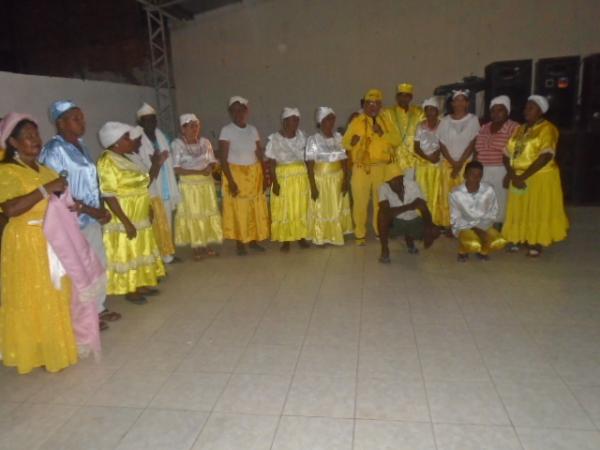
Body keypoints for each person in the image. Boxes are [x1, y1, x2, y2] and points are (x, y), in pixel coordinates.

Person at [0, 113, 78, 374]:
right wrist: (46, 189)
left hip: (52, 239)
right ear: (12, 142)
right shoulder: (7, 171)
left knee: (54, 292)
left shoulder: (45, 169)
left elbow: (56, 200)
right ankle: (35, 350)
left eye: (37, 135)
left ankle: (54, 345)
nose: (36, 140)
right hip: (26, 242)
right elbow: (10, 209)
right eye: (28, 137)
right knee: (32, 295)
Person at [40, 100, 120, 331]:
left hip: (91, 216)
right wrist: (89, 209)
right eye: (76, 119)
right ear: (61, 123)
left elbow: (90, 182)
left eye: (82, 117)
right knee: (78, 268)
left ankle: (98, 307)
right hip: (71, 219)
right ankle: (84, 315)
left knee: (97, 262)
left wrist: (99, 209)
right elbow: (55, 191)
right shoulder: (54, 150)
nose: (82, 122)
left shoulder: (80, 145)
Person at [97, 122, 165, 304]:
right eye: (126, 137)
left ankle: (141, 283)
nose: (131, 140)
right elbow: (108, 194)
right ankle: (130, 288)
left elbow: (143, 184)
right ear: (115, 142)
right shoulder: (107, 160)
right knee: (127, 251)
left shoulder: (127, 157)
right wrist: (125, 221)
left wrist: (148, 206)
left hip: (139, 211)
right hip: (124, 213)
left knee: (140, 249)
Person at [502, 95, 569, 257]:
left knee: (537, 208)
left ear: (540, 111)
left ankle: (535, 241)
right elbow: (506, 153)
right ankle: (517, 237)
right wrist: (511, 174)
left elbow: (545, 156)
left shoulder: (547, 129)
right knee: (519, 209)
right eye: (525, 107)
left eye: (530, 108)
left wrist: (522, 177)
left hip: (540, 176)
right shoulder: (520, 128)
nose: (526, 111)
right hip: (518, 175)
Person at [343, 88, 401, 245]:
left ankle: (378, 230)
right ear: (364, 105)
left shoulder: (386, 121)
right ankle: (360, 233)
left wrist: (383, 133)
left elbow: (397, 140)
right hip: (361, 168)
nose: (373, 106)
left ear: (380, 105)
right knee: (360, 202)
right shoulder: (356, 121)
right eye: (369, 103)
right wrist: (351, 143)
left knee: (379, 202)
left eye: (376, 103)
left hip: (380, 168)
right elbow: (344, 142)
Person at [218, 96, 269, 255]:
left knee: (253, 206)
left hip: (254, 173)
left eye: (241, 110)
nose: (238, 113)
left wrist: (265, 174)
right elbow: (223, 158)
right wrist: (231, 181)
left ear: (246, 111)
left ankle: (253, 239)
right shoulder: (226, 130)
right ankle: (240, 242)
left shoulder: (252, 129)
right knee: (239, 208)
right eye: (234, 110)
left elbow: (258, 152)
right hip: (236, 173)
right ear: (230, 112)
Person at [171, 114, 222, 260]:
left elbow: (212, 161)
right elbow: (176, 168)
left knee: (206, 213)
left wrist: (210, 168)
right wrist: (198, 171)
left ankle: (206, 245)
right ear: (183, 128)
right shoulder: (177, 144)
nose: (194, 128)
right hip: (189, 185)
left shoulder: (205, 142)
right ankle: (195, 247)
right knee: (194, 214)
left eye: (196, 125)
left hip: (206, 183)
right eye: (191, 126)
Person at [136, 103, 180, 264]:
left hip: (166, 183)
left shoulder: (160, 135)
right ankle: (155, 257)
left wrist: (165, 157)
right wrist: (157, 161)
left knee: (167, 221)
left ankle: (167, 254)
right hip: (152, 185)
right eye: (147, 121)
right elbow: (143, 162)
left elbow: (169, 154)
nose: (151, 124)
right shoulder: (138, 139)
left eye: (153, 120)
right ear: (140, 122)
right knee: (154, 223)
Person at [305, 107, 352, 246]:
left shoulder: (339, 138)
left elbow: (345, 161)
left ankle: (336, 232)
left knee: (336, 206)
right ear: (320, 122)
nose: (330, 122)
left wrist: (346, 179)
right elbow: (309, 165)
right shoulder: (313, 140)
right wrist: (313, 186)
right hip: (321, 179)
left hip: (337, 178)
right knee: (322, 208)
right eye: (327, 119)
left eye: (332, 119)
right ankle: (322, 235)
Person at [265, 107, 310, 251]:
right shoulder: (275, 139)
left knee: (300, 207)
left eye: (298, 119)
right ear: (285, 121)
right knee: (284, 208)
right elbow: (271, 163)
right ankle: (286, 239)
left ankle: (301, 236)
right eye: (293, 119)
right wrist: (275, 182)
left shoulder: (303, 137)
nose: (296, 122)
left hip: (301, 178)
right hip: (283, 177)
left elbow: (308, 159)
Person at [437, 90, 481, 229]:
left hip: (466, 164)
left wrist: (460, 163)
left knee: (465, 195)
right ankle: (449, 224)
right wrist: (452, 162)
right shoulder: (445, 120)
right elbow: (441, 143)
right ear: (452, 103)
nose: (460, 103)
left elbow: (473, 142)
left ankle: (465, 224)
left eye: (463, 100)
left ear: (467, 103)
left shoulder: (473, 119)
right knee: (448, 195)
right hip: (447, 164)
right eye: (457, 100)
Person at [377, 167, 439, 263]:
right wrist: (410, 206)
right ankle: (385, 249)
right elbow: (386, 212)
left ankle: (409, 239)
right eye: (391, 181)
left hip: (413, 219)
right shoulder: (384, 188)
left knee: (435, 231)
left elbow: (423, 208)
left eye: (398, 179)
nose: (395, 182)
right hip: (396, 222)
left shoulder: (411, 184)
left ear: (402, 178)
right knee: (381, 215)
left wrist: (428, 230)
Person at [475, 95, 519, 225]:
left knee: (501, 200)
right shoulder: (484, 127)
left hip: (502, 169)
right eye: (493, 110)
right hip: (483, 169)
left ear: (507, 111)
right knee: (484, 200)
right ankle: (487, 228)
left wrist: (509, 174)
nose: (496, 113)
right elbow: (477, 149)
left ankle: (501, 227)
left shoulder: (514, 127)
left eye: (500, 110)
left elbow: (517, 153)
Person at [450, 161, 506, 262]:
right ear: (465, 175)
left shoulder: (488, 189)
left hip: (484, 224)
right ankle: (462, 251)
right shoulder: (456, 193)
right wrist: (476, 229)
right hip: (465, 226)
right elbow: (455, 218)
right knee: (473, 244)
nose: (476, 178)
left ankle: (483, 252)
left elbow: (493, 211)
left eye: (479, 175)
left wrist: (482, 228)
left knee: (499, 241)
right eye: (472, 174)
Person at [414, 97, 443, 225]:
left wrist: (436, 154)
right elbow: (416, 147)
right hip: (423, 165)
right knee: (423, 192)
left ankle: (435, 221)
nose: (430, 112)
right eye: (427, 110)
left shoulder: (443, 125)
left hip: (438, 166)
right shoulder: (420, 126)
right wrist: (428, 157)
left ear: (437, 111)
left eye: (433, 109)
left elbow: (445, 143)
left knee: (437, 193)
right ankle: (423, 220)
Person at [388, 83, 425, 180]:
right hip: (395, 158)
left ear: (411, 97)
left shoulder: (419, 112)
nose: (404, 98)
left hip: (414, 157)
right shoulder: (388, 113)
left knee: (413, 189)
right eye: (401, 95)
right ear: (397, 97)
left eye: (407, 96)